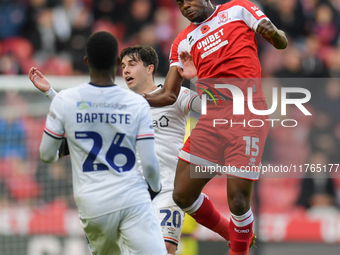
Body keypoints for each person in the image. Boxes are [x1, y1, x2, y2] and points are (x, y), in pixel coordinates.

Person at [144, 1, 288, 255]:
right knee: (182, 195)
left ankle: (239, 251)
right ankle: (230, 233)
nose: (185, 5)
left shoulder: (237, 9)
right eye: (179, 3)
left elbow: (282, 42)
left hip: (247, 114)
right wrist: (134, 100)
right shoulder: (183, 40)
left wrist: (273, 33)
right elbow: (168, 94)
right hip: (212, 120)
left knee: (239, 200)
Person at [29, 44, 202, 255]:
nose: (126, 70)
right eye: (123, 65)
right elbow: (81, 121)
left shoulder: (177, 95)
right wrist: (50, 92)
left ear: (150, 68)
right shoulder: (120, 102)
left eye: (132, 64)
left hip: (166, 189)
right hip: (130, 193)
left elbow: (214, 106)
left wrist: (196, 79)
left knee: (164, 248)